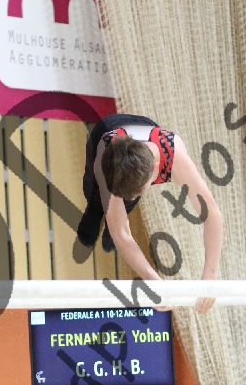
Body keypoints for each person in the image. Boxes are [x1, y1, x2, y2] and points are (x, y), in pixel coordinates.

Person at [75, 113, 223, 312]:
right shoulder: (105, 160)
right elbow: (122, 234)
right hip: (106, 134)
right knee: (95, 199)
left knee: (125, 206)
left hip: (145, 131)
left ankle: (112, 224)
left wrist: (210, 275)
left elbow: (212, 215)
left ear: (155, 169)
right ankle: (96, 222)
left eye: (138, 192)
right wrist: (155, 282)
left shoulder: (176, 157)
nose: (132, 196)